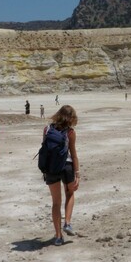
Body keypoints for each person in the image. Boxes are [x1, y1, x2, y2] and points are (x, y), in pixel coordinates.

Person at [43, 105, 80, 246]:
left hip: (51, 168)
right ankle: (68, 223)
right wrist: (78, 173)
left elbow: (45, 150)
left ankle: (58, 237)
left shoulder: (47, 129)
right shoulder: (70, 132)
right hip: (67, 167)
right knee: (70, 193)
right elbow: (74, 154)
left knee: (55, 203)